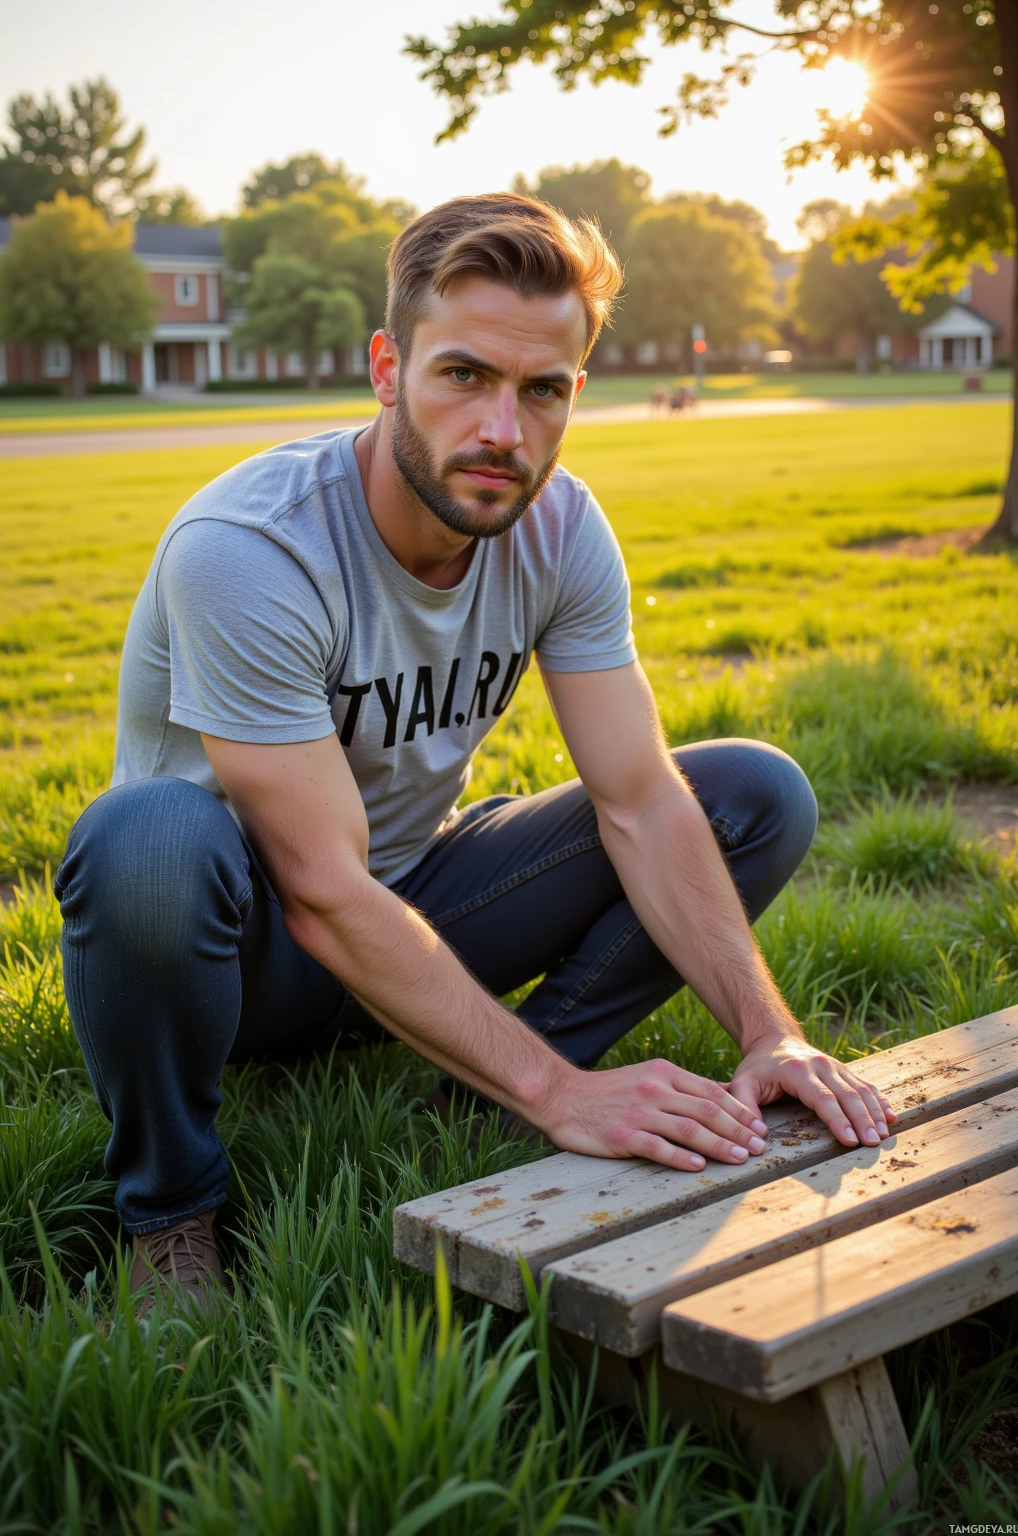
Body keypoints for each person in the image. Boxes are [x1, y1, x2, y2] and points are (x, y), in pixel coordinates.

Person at [55, 194, 894, 1310]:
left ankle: (483, 1093)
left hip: (419, 904)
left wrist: (770, 1032)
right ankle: (172, 1213)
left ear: (574, 393)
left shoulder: (558, 526)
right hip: (234, 952)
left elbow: (641, 799)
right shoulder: (249, 548)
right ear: (387, 366)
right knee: (144, 839)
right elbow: (317, 889)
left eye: (541, 390)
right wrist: (568, 1096)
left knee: (749, 793)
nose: (504, 427)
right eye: (463, 376)